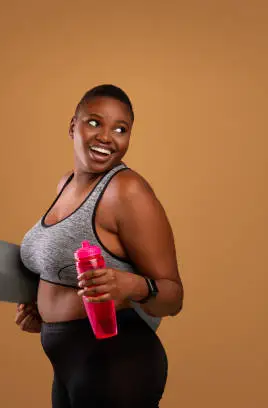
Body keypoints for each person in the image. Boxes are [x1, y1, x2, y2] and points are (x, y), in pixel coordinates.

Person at [14, 84, 184, 408]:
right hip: (68, 364)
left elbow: (173, 296)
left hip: (116, 362)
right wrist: (44, 313)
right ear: (72, 126)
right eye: (95, 122)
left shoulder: (127, 190)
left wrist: (131, 285)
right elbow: (64, 277)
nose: (107, 137)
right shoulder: (64, 185)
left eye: (120, 129)